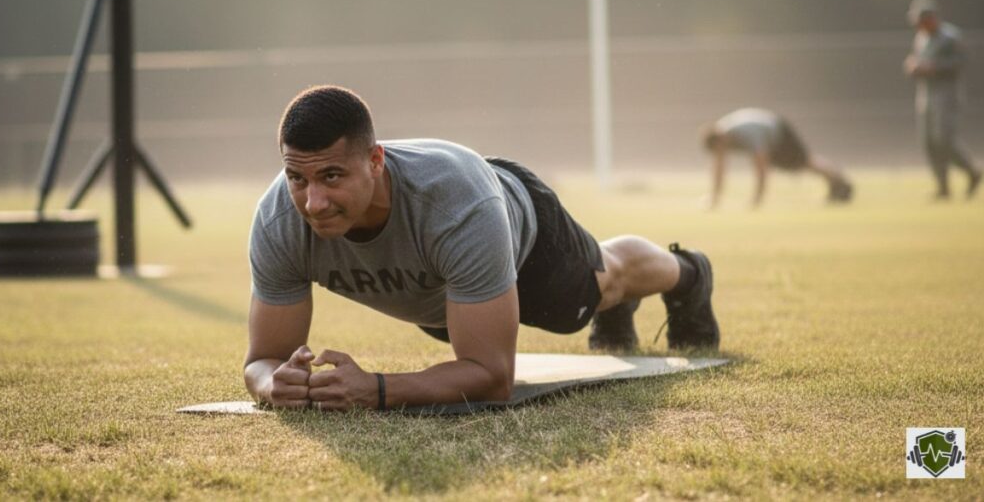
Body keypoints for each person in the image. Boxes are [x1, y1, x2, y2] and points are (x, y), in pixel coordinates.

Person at [243, 85, 720, 411]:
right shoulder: (278, 221)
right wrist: (274, 384)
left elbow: (493, 378)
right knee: (456, 332)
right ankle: (622, 297)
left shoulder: (457, 208)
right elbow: (261, 361)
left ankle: (688, 273)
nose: (314, 202)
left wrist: (377, 389)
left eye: (331, 176)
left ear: (374, 160)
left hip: (519, 230)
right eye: (296, 178)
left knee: (603, 281)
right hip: (439, 284)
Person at [903, 0, 981, 200]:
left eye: (921, 20)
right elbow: (917, 59)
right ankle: (942, 186)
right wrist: (913, 66)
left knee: (943, 140)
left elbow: (962, 62)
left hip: (947, 96)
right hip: (925, 96)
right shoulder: (921, 38)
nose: (918, 25)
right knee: (928, 142)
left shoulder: (950, 37)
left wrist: (935, 68)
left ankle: (971, 171)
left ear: (931, 18)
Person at [701, 108, 852, 208]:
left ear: (721, 140)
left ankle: (838, 181)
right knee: (799, 165)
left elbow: (761, 165)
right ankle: (835, 181)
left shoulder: (747, 133)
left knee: (803, 162)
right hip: (769, 138)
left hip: (779, 132)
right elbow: (719, 168)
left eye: (720, 150)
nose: (721, 154)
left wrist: (757, 199)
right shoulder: (722, 137)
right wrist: (715, 199)